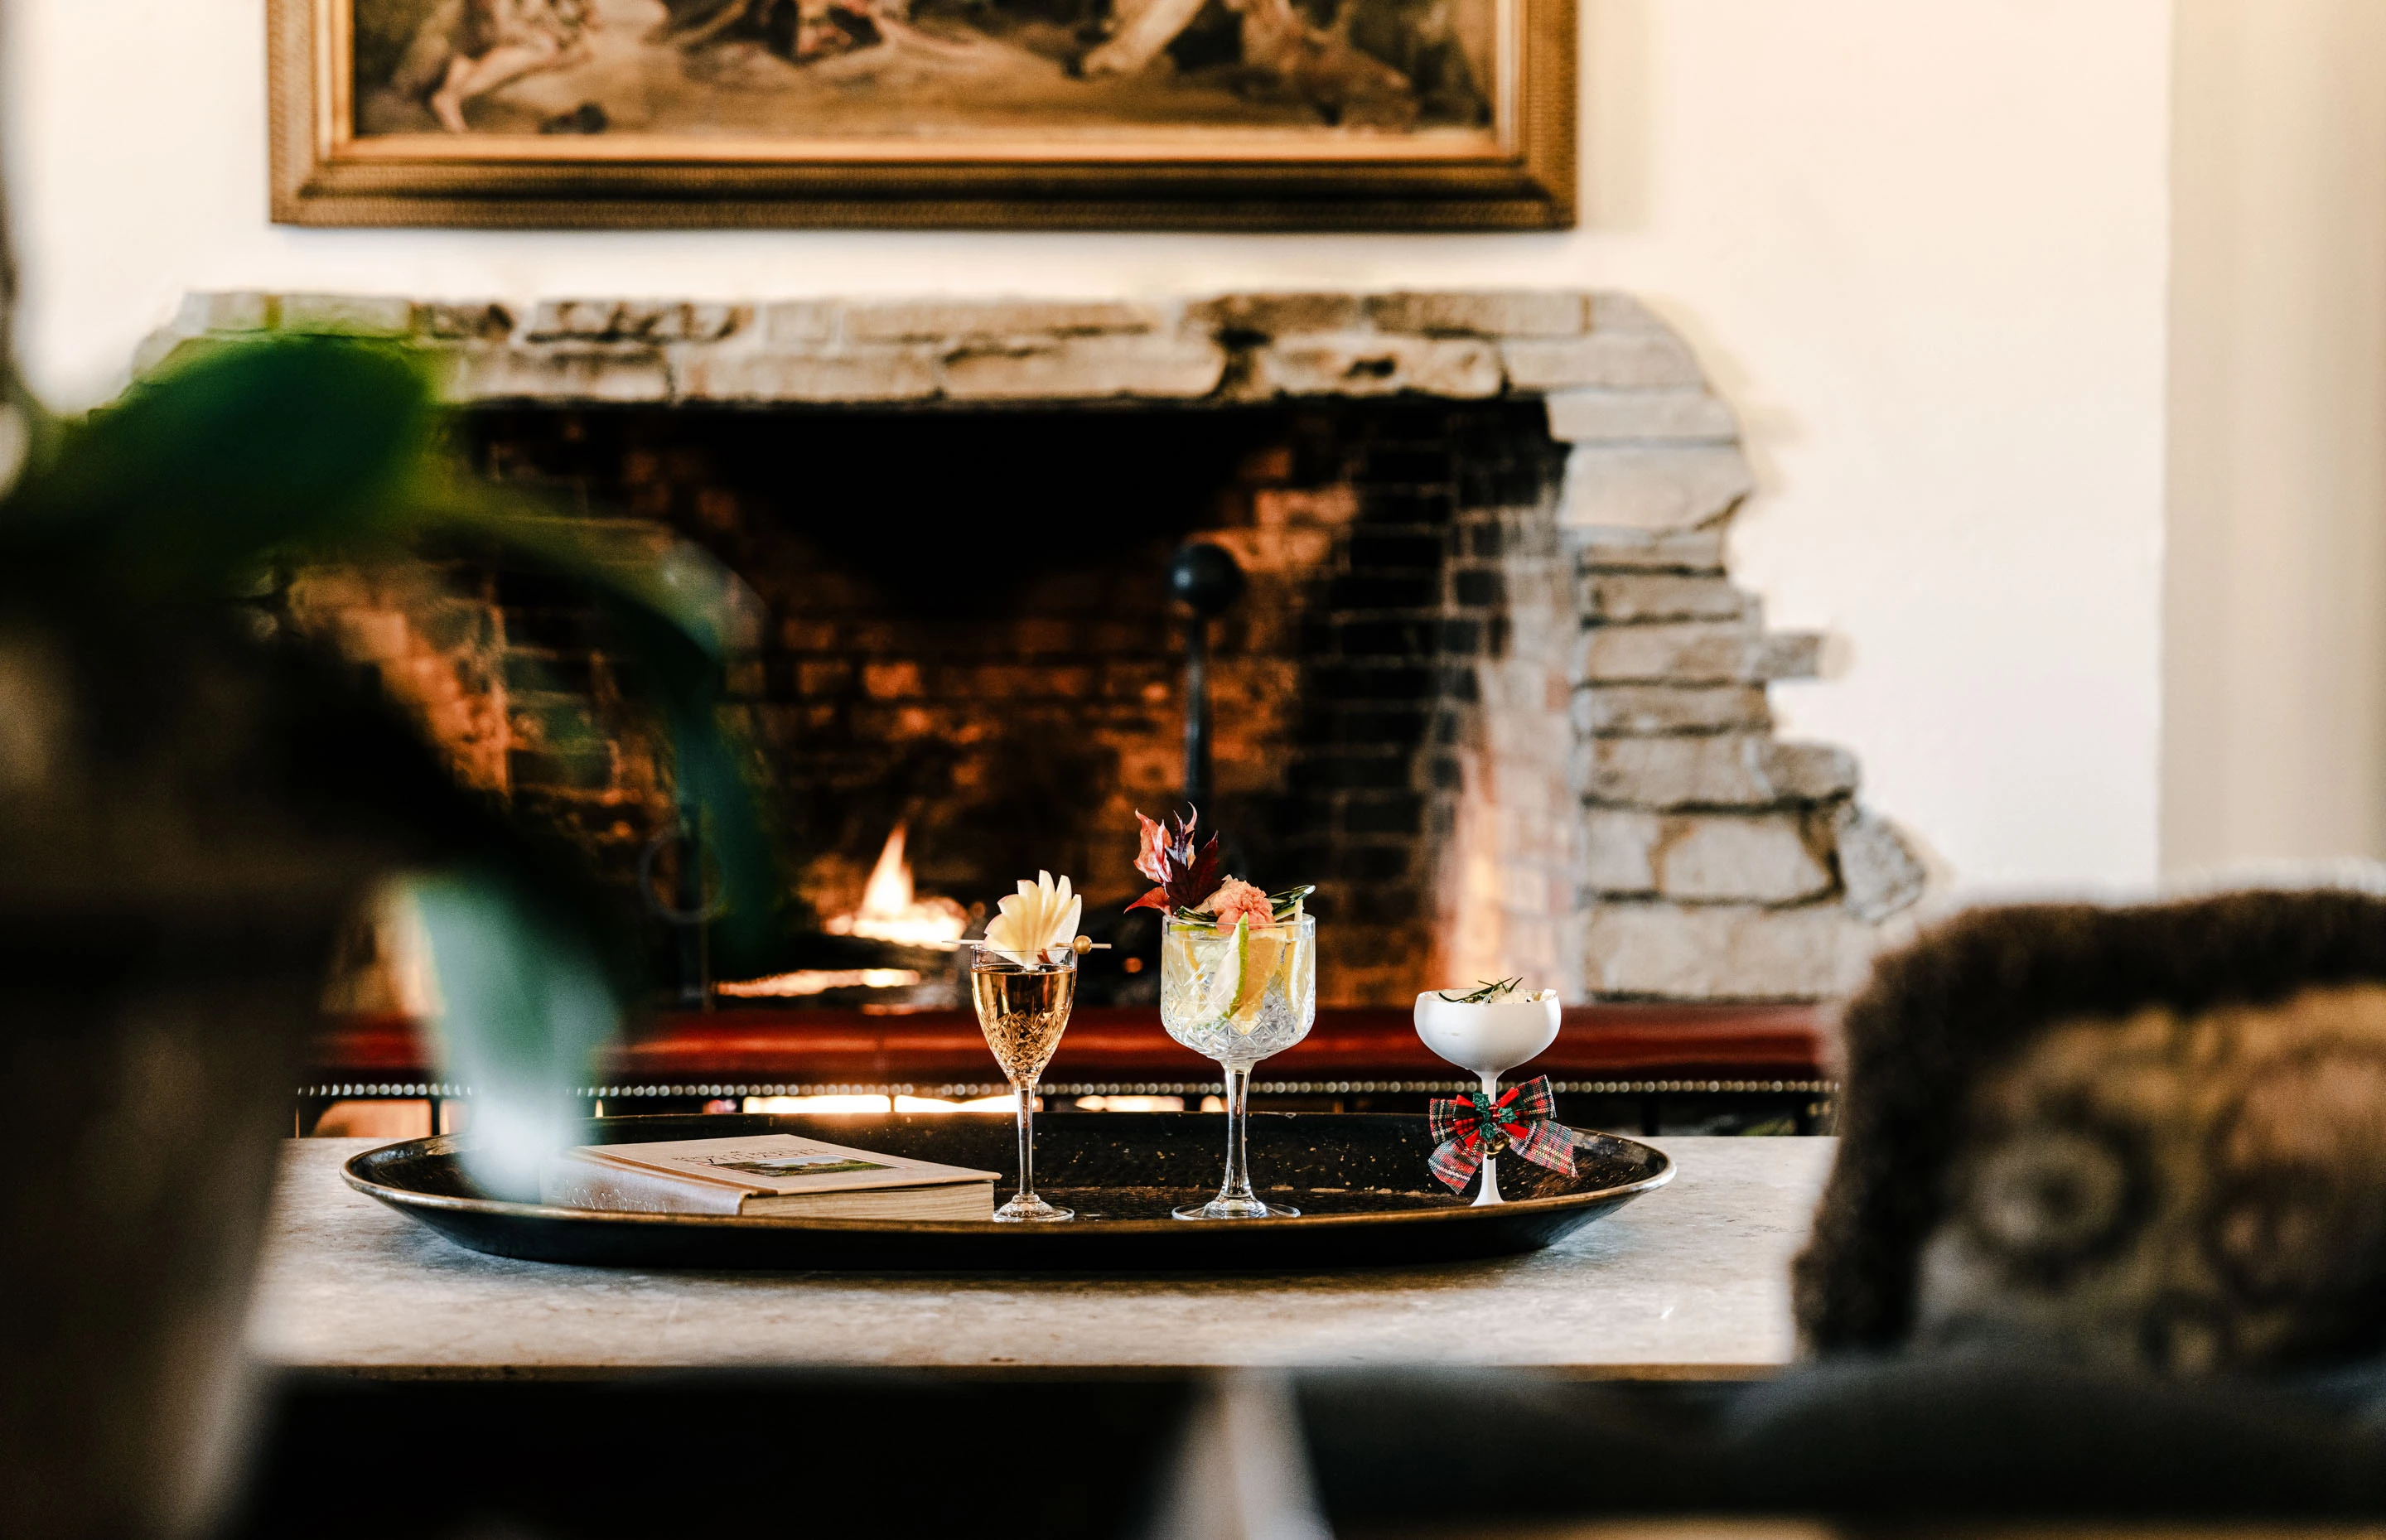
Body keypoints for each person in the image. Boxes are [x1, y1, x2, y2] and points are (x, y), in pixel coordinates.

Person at [421, 0, 600, 133]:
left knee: (567, 51)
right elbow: (503, 25)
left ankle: (451, 102)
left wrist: (588, 12)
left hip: (509, 23)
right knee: (541, 49)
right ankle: (451, 97)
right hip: (502, 20)